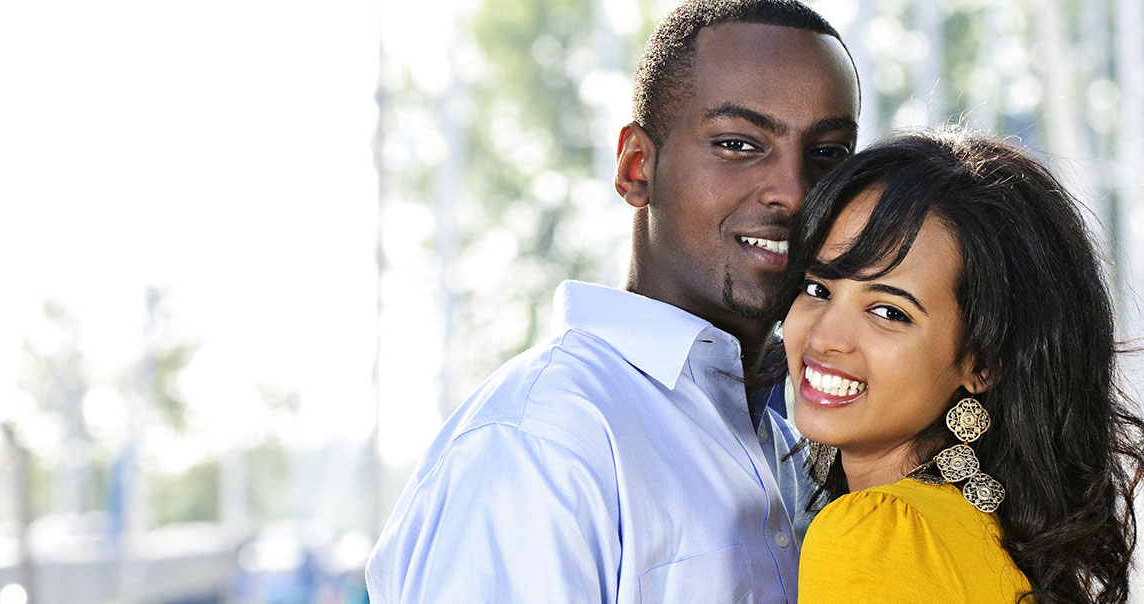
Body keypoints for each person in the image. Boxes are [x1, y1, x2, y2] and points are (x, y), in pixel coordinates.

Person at [366, 0, 859, 602]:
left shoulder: (798, 439)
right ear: (635, 167)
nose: (793, 191)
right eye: (737, 144)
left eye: (829, 154)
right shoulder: (542, 441)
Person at [777, 128, 1144, 603]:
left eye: (889, 312)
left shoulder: (877, 537)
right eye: (817, 288)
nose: (824, 336)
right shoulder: (986, 532)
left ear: (983, 362)